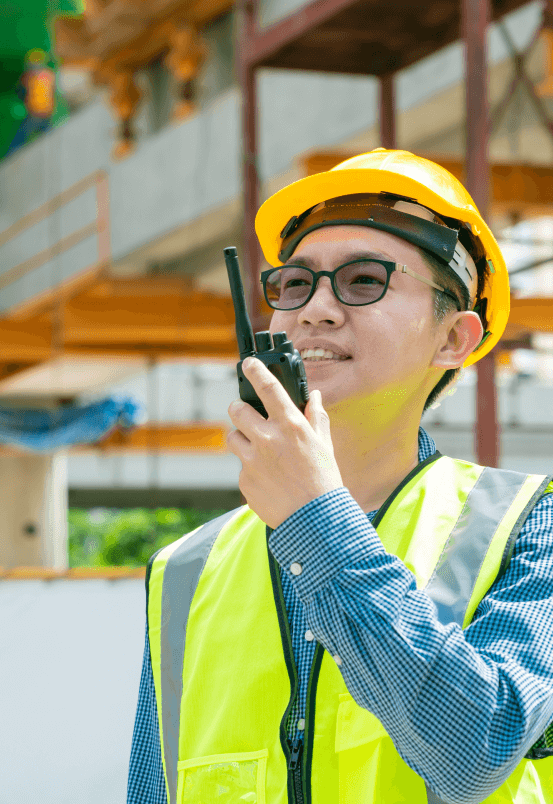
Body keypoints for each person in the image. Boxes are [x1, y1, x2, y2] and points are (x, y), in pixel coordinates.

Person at [126, 149, 553, 804]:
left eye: (363, 281)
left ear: (453, 340)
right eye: (295, 285)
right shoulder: (184, 571)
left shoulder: (530, 526)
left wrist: (316, 520)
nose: (315, 311)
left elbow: (475, 749)